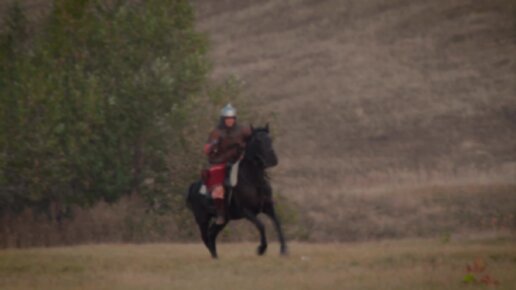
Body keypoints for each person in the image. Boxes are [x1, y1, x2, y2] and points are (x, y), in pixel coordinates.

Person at [203, 103, 252, 225]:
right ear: (223, 120)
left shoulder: (243, 130)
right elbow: (207, 149)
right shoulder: (216, 133)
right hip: (221, 163)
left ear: (234, 119)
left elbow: (254, 137)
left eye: (231, 119)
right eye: (227, 119)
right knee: (218, 188)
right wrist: (212, 146)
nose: (230, 121)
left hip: (239, 161)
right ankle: (220, 213)